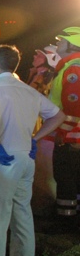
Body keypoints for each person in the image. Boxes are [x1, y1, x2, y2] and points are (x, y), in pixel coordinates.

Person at [0, 45, 65, 256]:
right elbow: (58, 116)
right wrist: (35, 138)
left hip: (2, 161)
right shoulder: (28, 90)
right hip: (26, 159)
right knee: (22, 218)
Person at [49, 27, 80, 226]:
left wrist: (63, 132)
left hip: (71, 137)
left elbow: (74, 106)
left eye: (61, 40)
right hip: (73, 136)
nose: (57, 43)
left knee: (66, 177)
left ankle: (65, 221)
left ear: (72, 44)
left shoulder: (73, 69)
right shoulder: (70, 66)